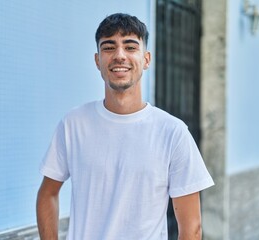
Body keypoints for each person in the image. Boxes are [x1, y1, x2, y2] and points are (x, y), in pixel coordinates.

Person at [36, 13, 214, 240]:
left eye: (130, 47)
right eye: (109, 47)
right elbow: (47, 194)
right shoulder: (73, 124)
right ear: (97, 60)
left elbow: (192, 229)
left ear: (146, 59)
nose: (119, 55)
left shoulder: (173, 132)